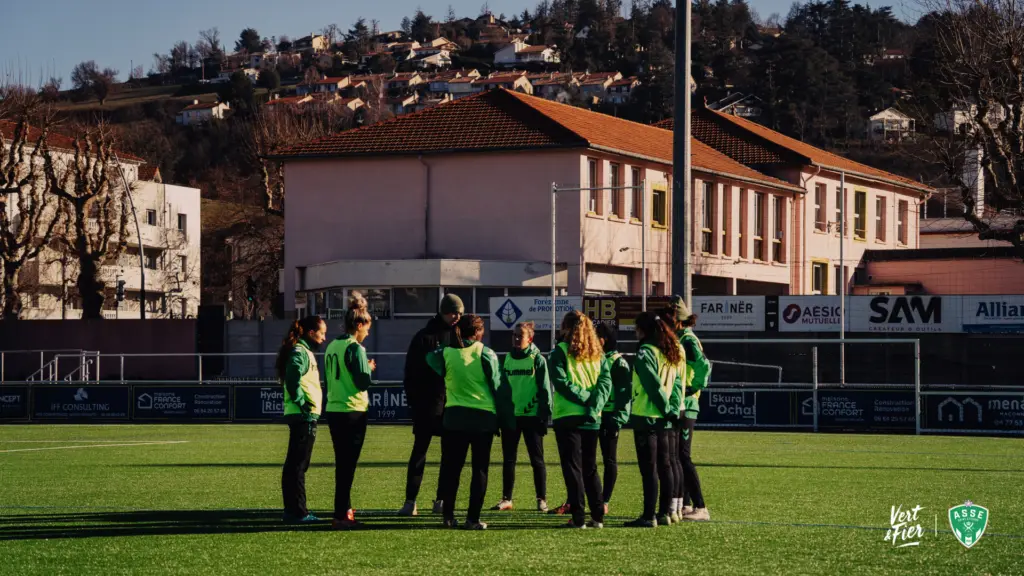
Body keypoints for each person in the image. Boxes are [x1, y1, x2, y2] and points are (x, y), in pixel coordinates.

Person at [427, 314, 514, 530]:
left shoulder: (446, 353)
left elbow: (430, 358)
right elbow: (499, 387)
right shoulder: (486, 353)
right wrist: (507, 421)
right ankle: (472, 519)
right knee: (480, 470)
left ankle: (448, 517)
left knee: (451, 470)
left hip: (454, 418)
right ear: (477, 333)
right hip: (482, 419)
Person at [398, 294, 463, 516]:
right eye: (453, 312)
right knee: (419, 453)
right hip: (426, 406)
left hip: (451, 405)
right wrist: (415, 402)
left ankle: (441, 500)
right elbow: (410, 373)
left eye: (459, 313)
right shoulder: (424, 337)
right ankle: (410, 501)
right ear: (443, 311)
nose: (457, 317)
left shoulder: (459, 335)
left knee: (449, 455)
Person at [549, 310, 612, 529]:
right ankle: (597, 517)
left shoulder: (560, 351)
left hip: (568, 416)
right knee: (590, 467)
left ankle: (578, 517)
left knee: (573, 468)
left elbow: (562, 383)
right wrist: (594, 405)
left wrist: (585, 400)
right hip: (592, 418)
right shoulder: (598, 353)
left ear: (565, 328)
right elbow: (605, 384)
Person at [625, 311, 684, 529]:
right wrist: (672, 410)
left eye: (636, 328)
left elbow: (652, 385)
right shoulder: (667, 352)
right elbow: (677, 385)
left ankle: (648, 515)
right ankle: (664, 514)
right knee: (665, 466)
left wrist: (665, 408)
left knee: (649, 469)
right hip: (666, 420)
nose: (634, 332)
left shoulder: (645, 352)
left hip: (647, 418)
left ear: (644, 330)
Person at [324, 292, 376, 530]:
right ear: (358, 324)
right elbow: (362, 381)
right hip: (352, 410)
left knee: (342, 463)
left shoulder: (332, 345)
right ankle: (341, 515)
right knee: (348, 466)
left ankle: (345, 511)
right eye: (367, 327)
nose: (367, 332)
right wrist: (368, 368)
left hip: (334, 409)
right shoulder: (356, 348)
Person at [492, 321, 551, 513]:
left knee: (537, 460)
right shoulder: (507, 359)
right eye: (514, 335)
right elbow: (501, 389)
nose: (516, 339)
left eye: (520, 336)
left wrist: (544, 416)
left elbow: (544, 390)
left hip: (532, 417)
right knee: (509, 459)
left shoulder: (538, 360)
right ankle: (507, 499)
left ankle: (541, 499)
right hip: (511, 417)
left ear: (530, 338)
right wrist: (500, 413)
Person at [663, 296, 712, 522]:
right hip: (682, 403)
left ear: (679, 320)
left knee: (683, 456)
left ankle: (701, 507)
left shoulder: (688, 340)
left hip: (688, 404)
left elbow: (703, 365)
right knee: (678, 456)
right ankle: (686, 504)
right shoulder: (680, 338)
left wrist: (693, 388)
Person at [277, 315, 327, 524]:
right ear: (311, 333)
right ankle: (298, 512)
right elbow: (292, 377)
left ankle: (293, 509)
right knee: (298, 465)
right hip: (303, 415)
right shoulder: (300, 351)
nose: (324, 338)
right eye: (322, 333)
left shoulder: (302, 350)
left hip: (302, 414)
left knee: (296, 464)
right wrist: (302, 401)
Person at [595, 322, 631, 515]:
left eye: (597, 335)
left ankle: (604, 500)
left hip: (609, 417)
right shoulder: (594, 358)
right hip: (594, 416)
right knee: (586, 460)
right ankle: (584, 499)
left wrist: (618, 418)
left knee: (609, 459)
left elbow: (624, 394)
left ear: (605, 339)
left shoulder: (618, 361)